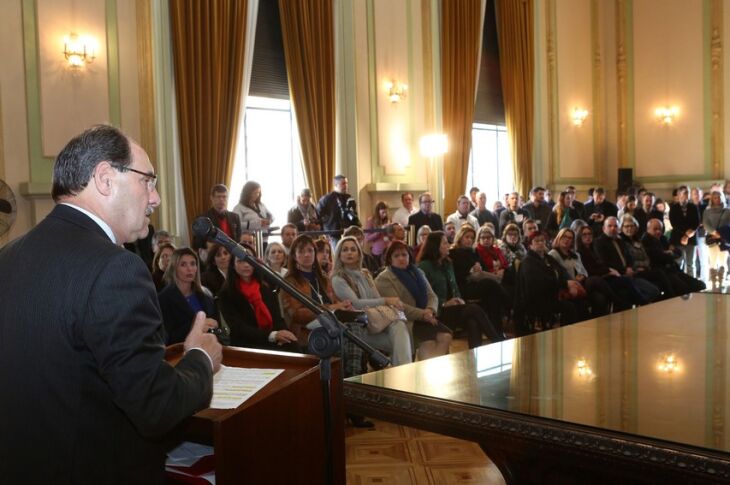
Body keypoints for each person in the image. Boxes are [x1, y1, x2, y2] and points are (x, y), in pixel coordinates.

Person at [0, 125, 221, 482]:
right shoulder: (116, 268)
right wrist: (199, 357)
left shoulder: (8, 256)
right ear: (105, 178)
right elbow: (156, 407)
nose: (156, 198)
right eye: (147, 181)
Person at [331, 237, 413, 366]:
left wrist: (383, 301)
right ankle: (403, 375)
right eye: (345, 250)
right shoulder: (338, 278)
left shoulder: (365, 274)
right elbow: (355, 304)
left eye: (353, 249)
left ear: (359, 254)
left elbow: (375, 299)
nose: (349, 253)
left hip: (375, 321)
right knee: (400, 344)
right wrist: (386, 300)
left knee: (399, 326)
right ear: (339, 255)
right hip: (356, 327)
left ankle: (401, 374)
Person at [417, 231, 504, 348]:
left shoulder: (447, 263)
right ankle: (497, 342)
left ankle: (475, 357)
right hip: (437, 312)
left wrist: (459, 299)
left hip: (453, 308)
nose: (448, 245)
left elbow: (455, 287)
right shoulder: (424, 266)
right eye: (445, 243)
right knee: (474, 309)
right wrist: (444, 303)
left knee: (473, 321)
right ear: (435, 246)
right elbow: (423, 296)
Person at [375, 241, 453, 360]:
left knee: (446, 336)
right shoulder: (384, 278)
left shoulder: (418, 272)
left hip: (426, 316)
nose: (401, 258)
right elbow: (398, 306)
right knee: (429, 343)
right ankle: (425, 372)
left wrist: (430, 310)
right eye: (396, 256)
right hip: (406, 320)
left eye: (404, 255)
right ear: (390, 259)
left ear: (409, 256)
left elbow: (432, 296)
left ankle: (432, 370)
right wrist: (423, 314)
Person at [218, 245, 299, 351]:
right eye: (240, 261)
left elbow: (278, 319)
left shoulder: (265, 288)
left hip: (271, 339)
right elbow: (238, 328)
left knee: (293, 344)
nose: (246, 264)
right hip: (246, 344)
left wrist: (283, 332)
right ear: (233, 265)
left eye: (249, 260)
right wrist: (273, 335)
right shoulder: (226, 293)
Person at [515, 231, 580, 333]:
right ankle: (567, 335)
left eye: (542, 240)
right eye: (537, 241)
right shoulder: (528, 261)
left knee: (579, 302)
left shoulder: (546, 257)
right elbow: (539, 283)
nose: (541, 243)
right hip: (536, 300)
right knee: (569, 308)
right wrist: (564, 284)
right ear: (530, 245)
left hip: (551, 294)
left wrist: (570, 282)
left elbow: (561, 270)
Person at [158, 248, 219, 345]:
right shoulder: (164, 299)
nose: (189, 269)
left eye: (193, 264)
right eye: (183, 264)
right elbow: (166, 338)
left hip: (208, 347)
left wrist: (215, 326)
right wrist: (194, 327)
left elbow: (215, 324)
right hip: (181, 353)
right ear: (174, 268)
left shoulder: (206, 294)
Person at [193, 184, 242, 251]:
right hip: (212, 255)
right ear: (211, 198)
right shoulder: (203, 218)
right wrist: (207, 244)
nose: (221, 199)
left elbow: (239, 240)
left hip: (232, 256)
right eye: (218, 197)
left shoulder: (235, 217)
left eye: (224, 197)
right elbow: (196, 243)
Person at [669, 186, 701, 277]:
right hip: (678, 238)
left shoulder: (693, 207)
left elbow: (697, 222)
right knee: (678, 263)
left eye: (688, 192)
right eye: (685, 193)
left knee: (691, 264)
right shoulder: (674, 208)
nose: (687, 195)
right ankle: (679, 284)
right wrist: (684, 234)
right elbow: (674, 223)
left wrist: (689, 234)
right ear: (679, 195)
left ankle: (693, 285)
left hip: (691, 238)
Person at [702, 190, 730, 287]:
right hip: (712, 238)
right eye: (715, 197)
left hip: (724, 238)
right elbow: (706, 223)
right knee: (713, 261)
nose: (717, 199)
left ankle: (722, 281)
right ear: (712, 199)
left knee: (723, 261)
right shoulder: (707, 211)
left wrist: (722, 234)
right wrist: (714, 232)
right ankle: (714, 282)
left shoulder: (728, 210)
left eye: (719, 197)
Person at [233, 180, 274, 245]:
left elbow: (272, 216)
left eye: (258, 193)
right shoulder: (238, 208)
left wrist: (269, 221)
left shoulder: (261, 205)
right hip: (249, 242)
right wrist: (254, 223)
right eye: (255, 193)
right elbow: (236, 224)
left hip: (264, 240)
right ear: (248, 193)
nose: (257, 195)